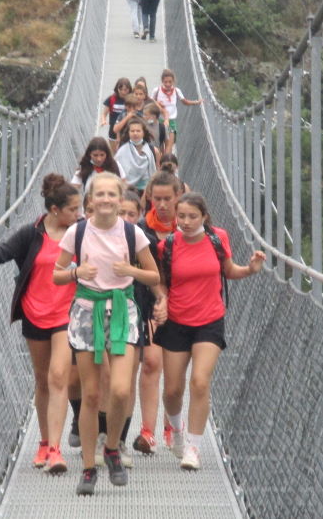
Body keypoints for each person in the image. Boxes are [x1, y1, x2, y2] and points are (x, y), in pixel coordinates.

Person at [0, 174, 82, 475]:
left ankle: (56, 451)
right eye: (73, 209)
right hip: (35, 312)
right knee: (42, 378)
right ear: (54, 210)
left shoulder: (81, 233)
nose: (79, 214)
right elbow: (2, 254)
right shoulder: (31, 234)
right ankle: (44, 442)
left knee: (59, 376)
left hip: (67, 314)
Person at [53, 173, 162, 496]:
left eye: (110, 195)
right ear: (89, 201)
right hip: (87, 312)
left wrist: (131, 272)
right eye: (98, 194)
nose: (105, 199)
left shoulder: (133, 233)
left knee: (119, 391)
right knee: (91, 395)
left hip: (122, 311)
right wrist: (76, 272)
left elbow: (153, 274)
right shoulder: (77, 231)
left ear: (119, 199)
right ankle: (89, 467)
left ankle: (112, 446)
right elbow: (57, 275)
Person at [155, 192, 266, 471]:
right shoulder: (167, 245)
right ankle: (177, 432)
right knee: (171, 390)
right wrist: (163, 302)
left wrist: (250, 269)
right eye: (181, 216)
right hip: (177, 321)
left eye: (193, 216)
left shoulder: (218, 239)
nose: (186, 221)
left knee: (201, 382)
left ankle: (193, 448)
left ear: (204, 216)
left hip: (209, 320)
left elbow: (228, 271)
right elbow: (161, 282)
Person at [131, 171, 181, 455]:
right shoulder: (140, 231)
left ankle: (171, 426)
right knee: (151, 363)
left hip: (184, 304)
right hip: (149, 302)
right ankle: (147, 431)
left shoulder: (189, 226)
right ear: (149, 198)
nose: (161, 205)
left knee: (175, 372)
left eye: (167, 199)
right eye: (156, 199)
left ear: (177, 198)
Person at [152, 68, 202, 156]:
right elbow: (150, 102)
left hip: (171, 122)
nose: (167, 84)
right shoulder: (157, 90)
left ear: (173, 81)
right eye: (165, 82)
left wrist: (196, 102)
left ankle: (166, 164)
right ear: (162, 81)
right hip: (159, 121)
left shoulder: (176, 91)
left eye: (170, 82)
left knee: (169, 146)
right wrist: (157, 103)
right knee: (160, 146)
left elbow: (184, 101)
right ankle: (161, 163)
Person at [115, 117, 159, 192]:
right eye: (132, 131)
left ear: (143, 133)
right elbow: (117, 170)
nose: (135, 133)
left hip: (147, 191)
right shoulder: (122, 151)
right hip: (128, 190)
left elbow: (157, 169)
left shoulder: (153, 151)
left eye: (138, 131)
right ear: (128, 133)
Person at [100, 78, 133, 150]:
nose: (123, 92)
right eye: (121, 89)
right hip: (113, 132)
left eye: (125, 90)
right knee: (114, 154)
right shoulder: (111, 99)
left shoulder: (132, 100)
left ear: (129, 89)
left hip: (128, 132)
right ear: (117, 89)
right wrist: (103, 120)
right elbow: (104, 113)